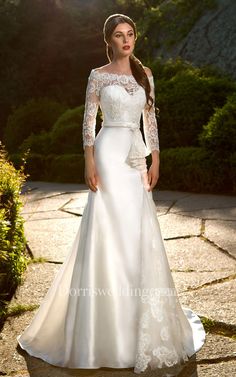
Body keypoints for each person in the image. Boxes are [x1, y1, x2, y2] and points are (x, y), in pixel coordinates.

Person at [17, 13, 205, 375]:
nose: (126, 40)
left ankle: (138, 323)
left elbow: (150, 122)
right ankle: (101, 332)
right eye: (119, 35)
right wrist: (89, 162)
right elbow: (89, 122)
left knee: (136, 234)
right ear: (109, 40)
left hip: (135, 160)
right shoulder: (98, 75)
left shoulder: (145, 75)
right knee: (106, 233)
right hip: (106, 154)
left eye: (130, 33)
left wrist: (156, 158)